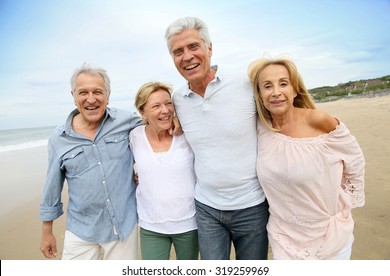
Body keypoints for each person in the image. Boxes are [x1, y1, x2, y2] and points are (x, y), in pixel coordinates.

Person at [164, 17, 269, 260]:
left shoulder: (245, 85)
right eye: (178, 52)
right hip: (207, 208)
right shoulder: (177, 100)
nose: (187, 56)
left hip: (252, 206)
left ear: (209, 48)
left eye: (193, 47)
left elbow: (281, 119)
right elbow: (156, 127)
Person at [247, 56, 365, 259]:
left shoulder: (319, 121)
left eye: (283, 83)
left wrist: (342, 202)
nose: (276, 92)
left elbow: (354, 160)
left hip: (329, 237)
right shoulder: (259, 129)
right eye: (267, 86)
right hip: (283, 238)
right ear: (259, 94)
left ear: (294, 89)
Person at [39, 64, 143, 259]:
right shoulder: (58, 138)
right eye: (83, 92)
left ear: (108, 95)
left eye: (98, 92)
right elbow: (52, 187)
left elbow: (156, 128)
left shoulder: (126, 121)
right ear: (73, 96)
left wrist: (146, 171)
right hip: (81, 230)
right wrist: (47, 231)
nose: (91, 99)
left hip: (123, 226)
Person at [129, 81, 199, 260]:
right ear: (142, 112)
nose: (165, 110)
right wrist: (136, 177)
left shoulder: (187, 132)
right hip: (151, 225)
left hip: (189, 223)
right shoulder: (134, 136)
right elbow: (117, 163)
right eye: (156, 106)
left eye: (168, 103)